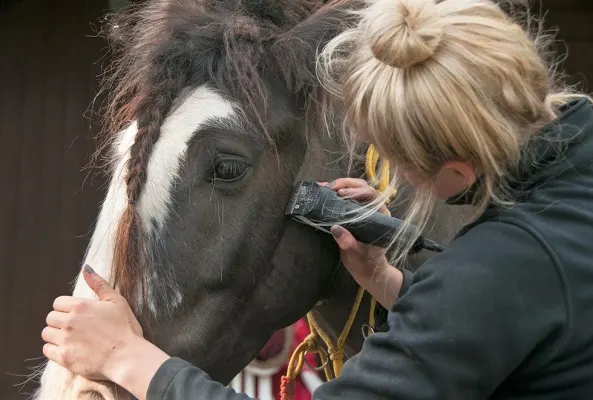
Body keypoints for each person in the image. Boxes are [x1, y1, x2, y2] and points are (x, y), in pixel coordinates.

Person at [41, 0, 593, 398]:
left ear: (457, 169)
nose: (389, 173)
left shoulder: (503, 264)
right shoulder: (566, 201)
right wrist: (390, 285)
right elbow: (513, 323)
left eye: (393, 156)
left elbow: (494, 295)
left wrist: (131, 360)